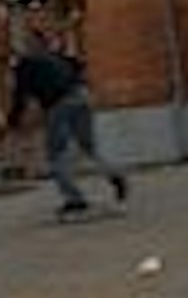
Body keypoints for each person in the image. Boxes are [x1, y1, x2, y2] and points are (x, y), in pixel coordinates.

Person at [7, 35, 128, 219]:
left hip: (58, 104)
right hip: (81, 96)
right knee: (89, 146)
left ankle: (75, 200)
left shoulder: (25, 65)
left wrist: (13, 121)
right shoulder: (56, 56)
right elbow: (79, 65)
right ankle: (114, 174)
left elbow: (20, 96)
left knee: (56, 154)